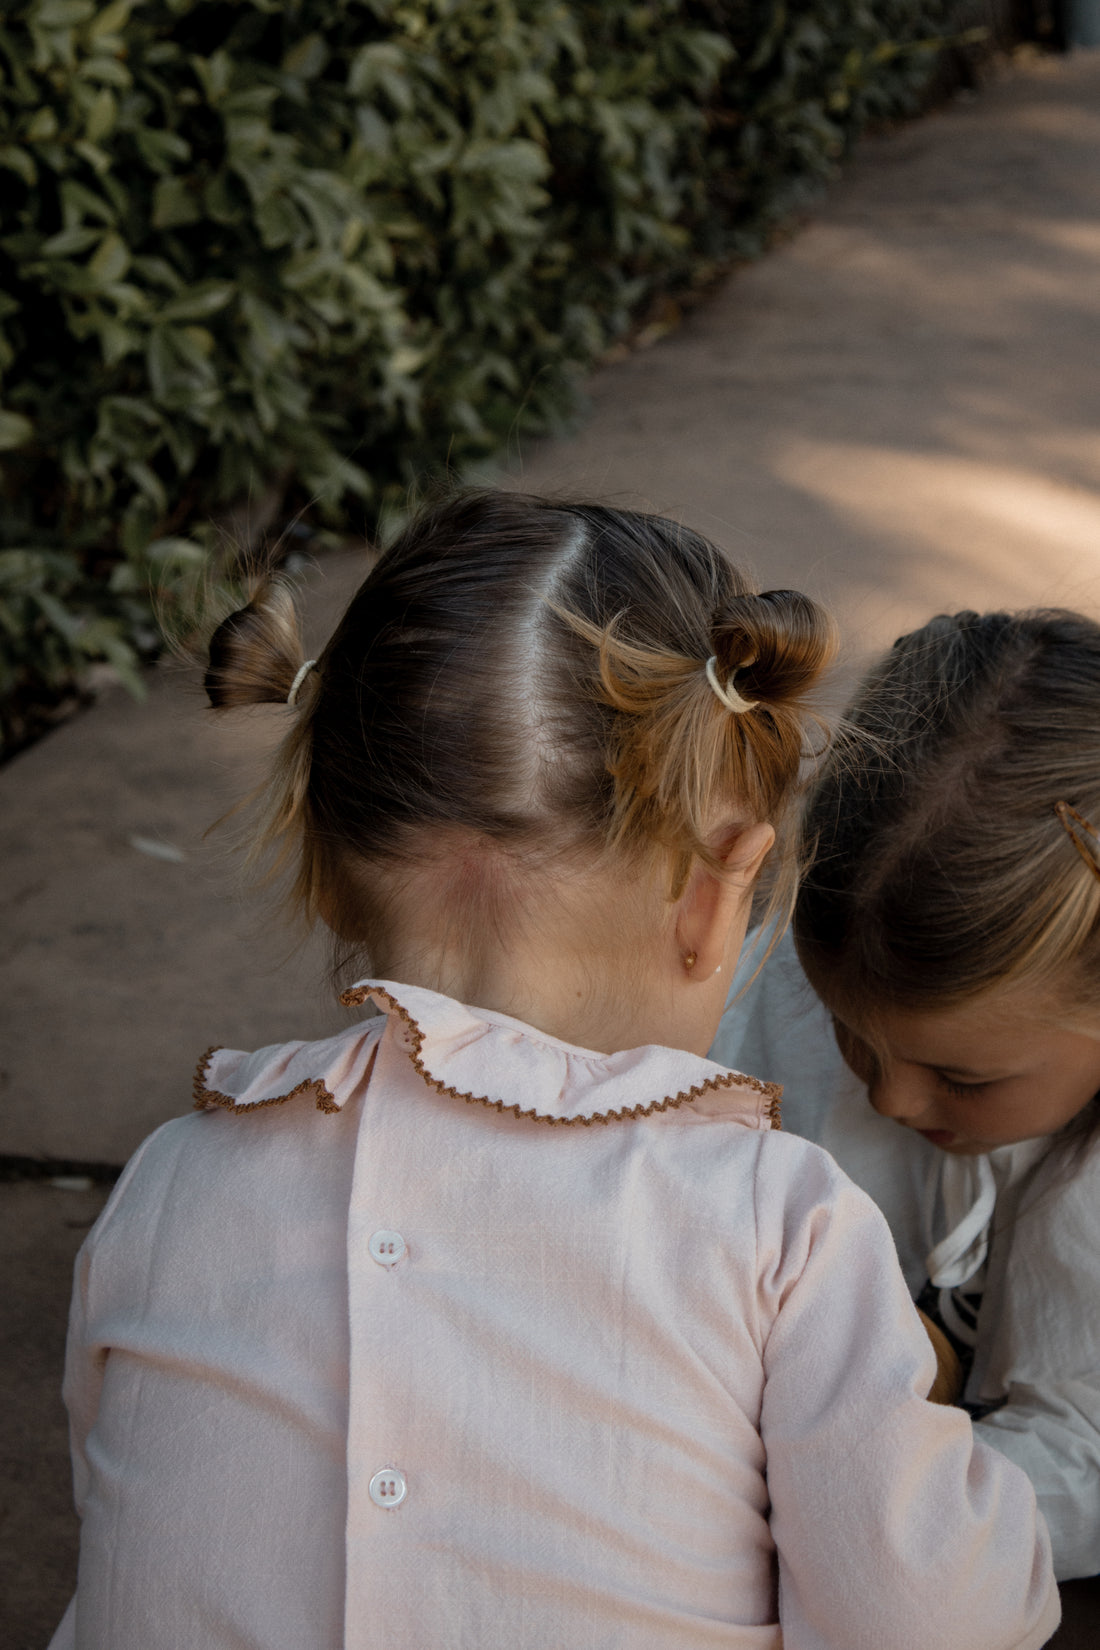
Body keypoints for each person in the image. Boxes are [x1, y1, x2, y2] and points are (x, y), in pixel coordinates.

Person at [52, 498, 1059, 1650]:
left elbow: (117, 1495)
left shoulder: (172, 1179)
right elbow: (934, 1620)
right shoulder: (777, 1221)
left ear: (329, 872)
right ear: (718, 892)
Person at [714, 607, 1100, 1585]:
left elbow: (1080, 1461)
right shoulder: (796, 993)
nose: (885, 1097)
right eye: (851, 1033)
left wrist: (835, 1520)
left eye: (964, 1077)